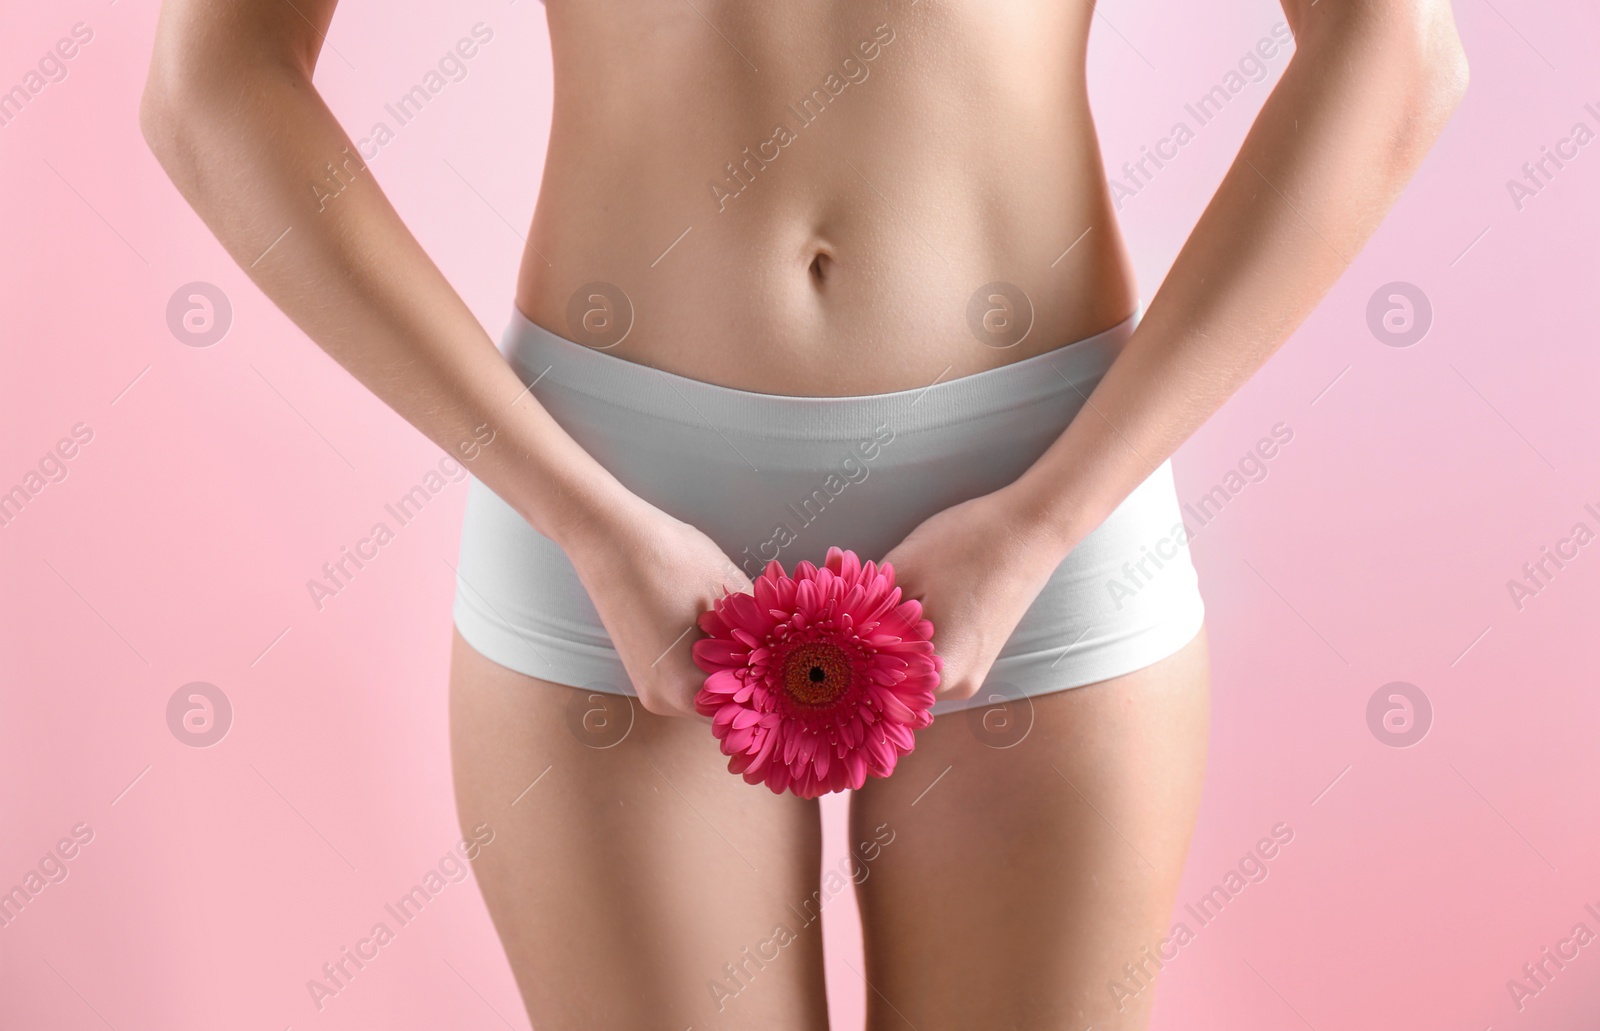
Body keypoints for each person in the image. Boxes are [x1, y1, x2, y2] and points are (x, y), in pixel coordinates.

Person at [141, 1, 1466, 1027]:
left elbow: (1396, 53)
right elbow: (210, 84)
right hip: (605, 492)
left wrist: (1046, 523)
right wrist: (585, 518)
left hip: (1048, 472)